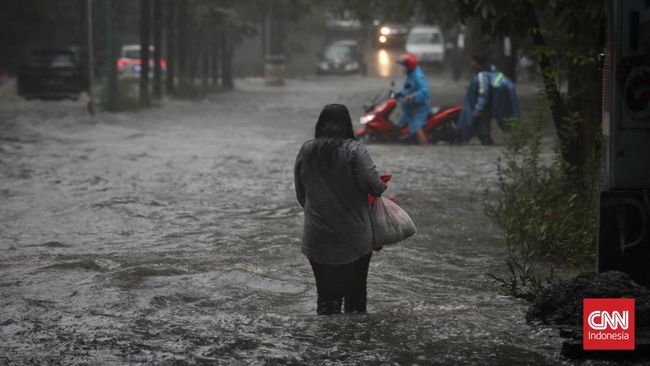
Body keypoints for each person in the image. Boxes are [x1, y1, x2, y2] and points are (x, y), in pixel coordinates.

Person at [294, 104, 387, 315]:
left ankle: (326, 341)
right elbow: (374, 187)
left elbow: (301, 194)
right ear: (347, 125)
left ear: (320, 124)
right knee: (355, 299)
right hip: (355, 238)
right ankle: (353, 343)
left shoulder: (307, 150)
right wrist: (382, 185)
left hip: (317, 237)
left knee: (326, 300)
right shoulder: (355, 150)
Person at [457, 55, 494, 145]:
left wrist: (479, 108)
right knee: (479, 127)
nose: (471, 63)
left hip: (482, 108)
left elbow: (483, 92)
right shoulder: (478, 74)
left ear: (478, 63)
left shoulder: (482, 75)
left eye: (473, 61)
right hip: (478, 106)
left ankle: (486, 142)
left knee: (483, 128)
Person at [395, 53, 431, 145]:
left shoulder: (417, 76)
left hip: (418, 110)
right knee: (399, 126)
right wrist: (399, 93)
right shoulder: (409, 75)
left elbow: (425, 91)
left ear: (409, 66)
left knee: (417, 128)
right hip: (409, 109)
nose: (403, 68)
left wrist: (413, 96)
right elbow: (408, 89)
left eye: (404, 66)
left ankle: (424, 146)